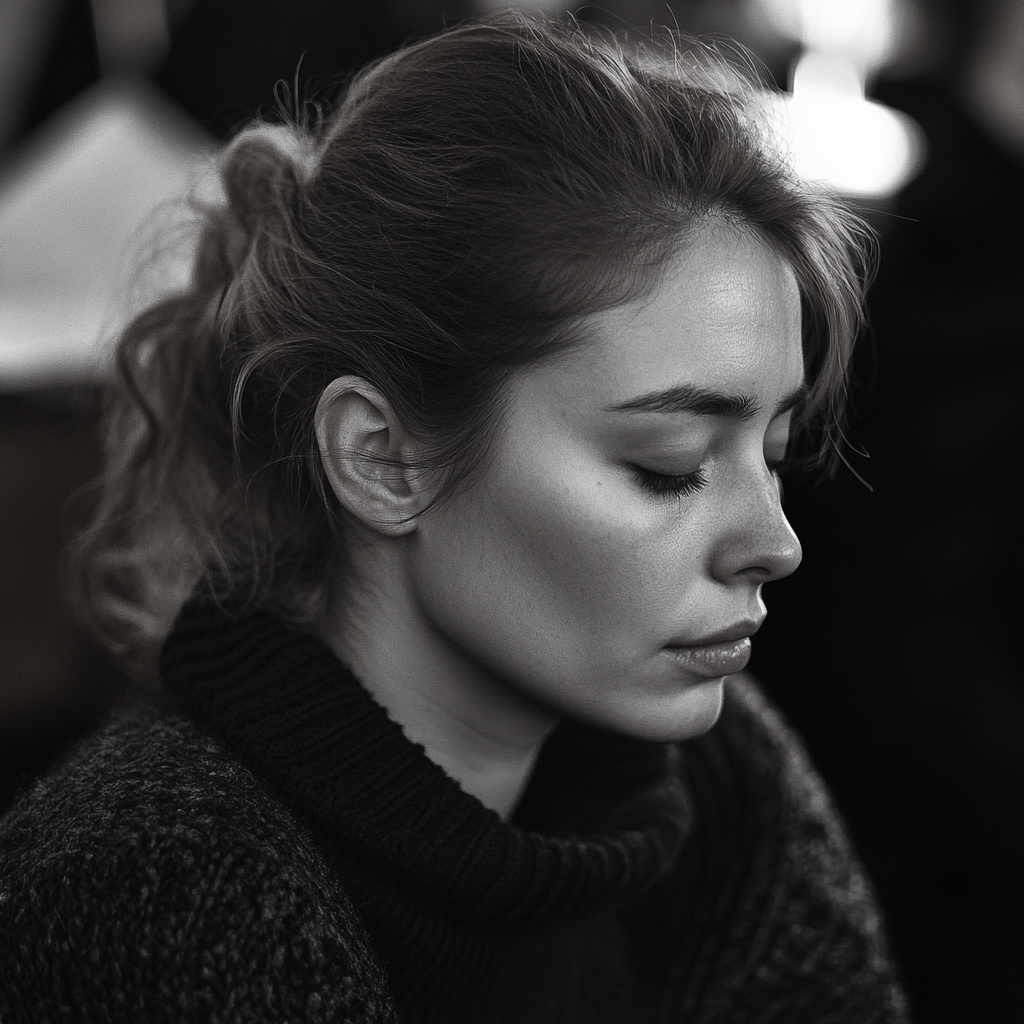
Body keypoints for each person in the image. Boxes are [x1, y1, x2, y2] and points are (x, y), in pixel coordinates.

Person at [0, 14, 910, 1023]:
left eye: (774, 453)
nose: (775, 543)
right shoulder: (151, 890)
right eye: (671, 467)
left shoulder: (719, 778)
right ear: (380, 459)